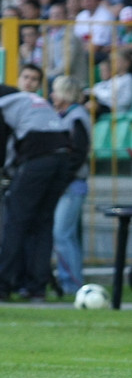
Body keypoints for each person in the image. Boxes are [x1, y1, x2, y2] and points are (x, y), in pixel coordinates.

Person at [0, 83, 73, 301]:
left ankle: (3, 285)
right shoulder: (29, 100)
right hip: (63, 158)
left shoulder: (3, 105)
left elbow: (3, 148)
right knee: (43, 223)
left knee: (15, 222)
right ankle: (37, 287)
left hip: (37, 160)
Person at [50, 75, 91, 295]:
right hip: (70, 183)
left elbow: (77, 154)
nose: (52, 95)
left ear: (65, 94)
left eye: (55, 91)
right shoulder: (68, 115)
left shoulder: (76, 118)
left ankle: (72, 284)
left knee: (62, 234)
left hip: (72, 184)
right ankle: (73, 282)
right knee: (67, 235)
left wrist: (61, 179)